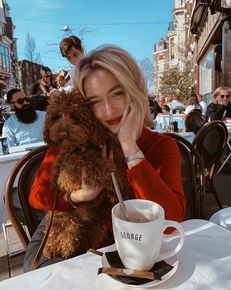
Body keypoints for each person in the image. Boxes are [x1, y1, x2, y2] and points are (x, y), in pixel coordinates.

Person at [24, 45, 186, 271]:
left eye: (117, 93)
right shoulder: (74, 140)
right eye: (95, 102)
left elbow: (169, 224)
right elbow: (37, 196)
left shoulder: (160, 146)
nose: (109, 110)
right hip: (64, 234)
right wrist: (76, 197)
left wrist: (130, 148)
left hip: (126, 247)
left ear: (135, 89)